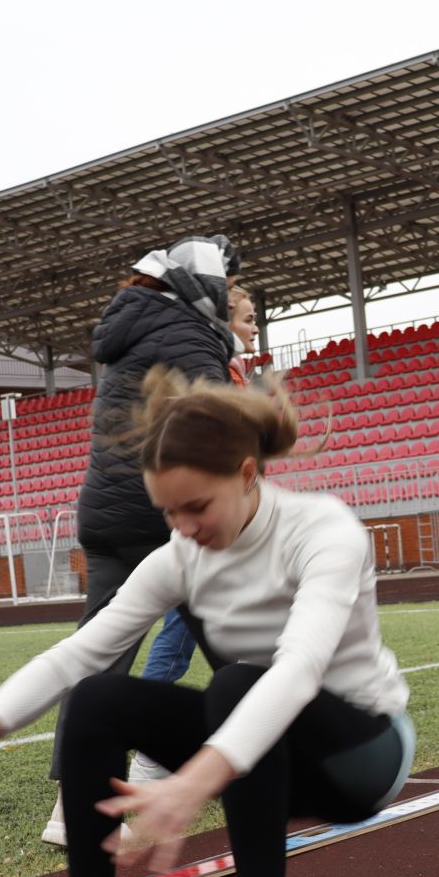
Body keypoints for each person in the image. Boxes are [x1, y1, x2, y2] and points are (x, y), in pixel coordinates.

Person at [0, 367, 414, 877]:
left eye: (197, 507)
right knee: (96, 696)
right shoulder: (179, 557)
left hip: (359, 756)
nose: (183, 528)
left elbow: (299, 670)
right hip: (258, 750)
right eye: (167, 512)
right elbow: (73, 654)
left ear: (248, 474)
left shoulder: (323, 530)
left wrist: (191, 784)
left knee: (237, 683)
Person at [39, 236, 241, 846]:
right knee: (241, 648)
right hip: (164, 516)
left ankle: (71, 812)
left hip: (105, 514)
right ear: (201, 285)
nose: (228, 296)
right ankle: (277, 776)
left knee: (97, 659)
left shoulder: (128, 330)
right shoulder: (189, 332)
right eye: (224, 285)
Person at [137, 285, 260, 689]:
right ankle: (151, 743)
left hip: (235, 514)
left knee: (223, 622)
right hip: (218, 517)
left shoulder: (232, 371)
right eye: (248, 319)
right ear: (225, 323)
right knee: (184, 625)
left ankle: (257, 717)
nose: (256, 328)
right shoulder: (213, 370)